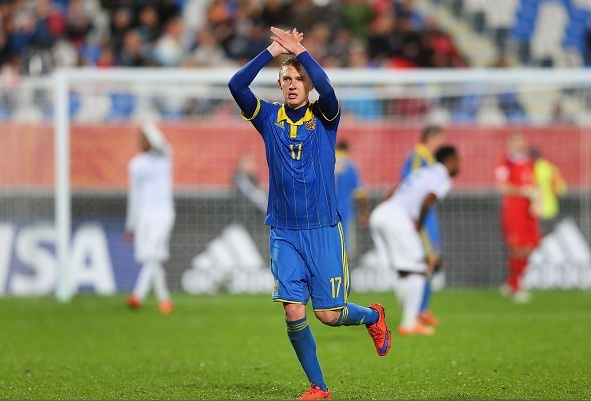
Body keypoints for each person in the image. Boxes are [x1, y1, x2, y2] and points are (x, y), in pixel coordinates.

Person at [228, 26, 391, 400]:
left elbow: (328, 89)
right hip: (283, 231)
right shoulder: (268, 117)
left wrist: (300, 54)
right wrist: (272, 52)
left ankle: (373, 316)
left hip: (322, 229)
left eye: (299, 79)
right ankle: (319, 386)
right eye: (286, 79)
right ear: (279, 84)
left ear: (308, 84)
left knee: (329, 315)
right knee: (292, 311)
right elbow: (236, 85)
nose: (292, 84)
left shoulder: (325, 117)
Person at [370, 145, 460, 336]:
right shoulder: (442, 177)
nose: (459, 166)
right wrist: (418, 223)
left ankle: (409, 317)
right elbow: (429, 198)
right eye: (458, 161)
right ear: (450, 160)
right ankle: (410, 323)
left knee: (403, 269)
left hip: (381, 213)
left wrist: (383, 209)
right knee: (418, 268)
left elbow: (397, 188)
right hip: (397, 217)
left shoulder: (422, 172)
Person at [125, 121, 175, 314]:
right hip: (143, 216)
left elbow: (160, 142)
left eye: (146, 138)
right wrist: (131, 224)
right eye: (141, 139)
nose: (143, 142)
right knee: (150, 259)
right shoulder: (136, 165)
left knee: (153, 254)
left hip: (162, 214)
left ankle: (137, 296)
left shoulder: (164, 157)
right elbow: (134, 196)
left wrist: (147, 125)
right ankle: (164, 300)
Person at [399, 125, 446, 327]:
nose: (443, 143)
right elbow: (410, 184)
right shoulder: (418, 157)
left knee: (431, 261)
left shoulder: (431, 160)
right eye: (441, 138)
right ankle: (416, 311)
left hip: (429, 216)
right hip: (421, 218)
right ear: (431, 138)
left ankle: (422, 309)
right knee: (425, 261)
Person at [495, 132, 541, 303]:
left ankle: (511, 282)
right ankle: (516, 286)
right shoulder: (504, 163)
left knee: (532, 245)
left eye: (521, 141)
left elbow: (536, 185)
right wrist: (522, 191)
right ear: (509, 144)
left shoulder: (530, 163)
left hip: (529, 209)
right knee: (516, 247)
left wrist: (537, 202)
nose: (519, 145)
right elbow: (501, 186)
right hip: (513, 209)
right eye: (515, 142)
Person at [335, 140, 369, 260]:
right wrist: (364, 212)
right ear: (347, 150)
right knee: (346, 250)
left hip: (325, 215)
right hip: (345, 214)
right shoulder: (350, 166)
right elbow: (360, 193)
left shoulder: (327, 164)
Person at [529, 146, 567, 223]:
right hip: (549, 209)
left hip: (532, 210)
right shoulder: (548, 167)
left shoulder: (527, 169)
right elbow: (561, 189)